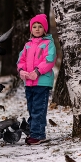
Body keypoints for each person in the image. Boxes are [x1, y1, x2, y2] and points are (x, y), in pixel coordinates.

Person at [17, 14, 56, 145]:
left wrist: (37, 71)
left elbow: (49, 60)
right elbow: (21, 60)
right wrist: (21, 70)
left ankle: (38, 134)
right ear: (31, 29)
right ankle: (33, 132)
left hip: (42, 81)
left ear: (44, 29)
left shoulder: (48, 43)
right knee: (32, 108)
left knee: (39, 108)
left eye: (40, 27)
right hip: (29, 82)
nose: (37, 29)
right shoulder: (27, 45)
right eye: (34, 27)